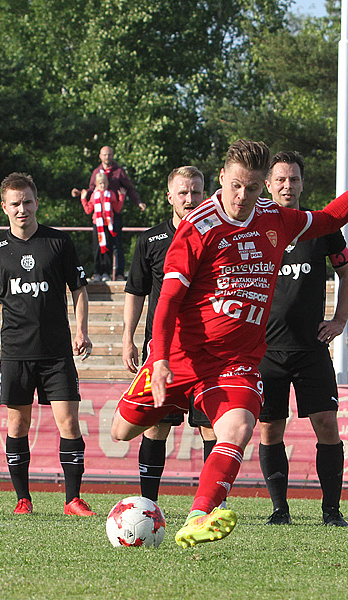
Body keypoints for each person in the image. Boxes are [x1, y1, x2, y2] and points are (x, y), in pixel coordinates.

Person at [110, 140, 348, 548]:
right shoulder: (197, 228)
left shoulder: (275, 219)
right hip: (181, 355)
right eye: (236, 187)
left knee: (240, 427)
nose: (243, 197)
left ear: (261, 186)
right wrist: (158, 358)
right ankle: (173, 399)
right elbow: (170, 299)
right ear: (223, 180)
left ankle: (197, 516)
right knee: (121, 430)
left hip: (236, 360)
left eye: (251, 188)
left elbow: (333, 216)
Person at [0, 172, 95, 517]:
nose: (23, 209)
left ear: (37, 203)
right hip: (16, 353)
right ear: (4, 207)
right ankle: (23, 499)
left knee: (69, 423)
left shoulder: (58, 242)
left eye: (28, 202)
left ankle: (72, 500)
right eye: (16, 203)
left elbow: (79, 290)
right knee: (17, 426)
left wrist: (82, 330)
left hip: (56, 353)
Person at [257, 151, 348, 527]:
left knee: (327, 425)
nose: (288, 186)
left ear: (302, 183)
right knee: (270, 428)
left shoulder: (320, 227)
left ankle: (331, 511)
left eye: (294, 179)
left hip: (311, 348)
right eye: (280, 179)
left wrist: (339, 320)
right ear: (268, 184)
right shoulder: (256, 227)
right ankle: (280, 510)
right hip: (267, 350)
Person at [122, 165, 216, 501]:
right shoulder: (150, 240)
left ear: (205, 194)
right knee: (156, 426)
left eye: (196, 192)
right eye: (183, 193)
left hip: (207, 350)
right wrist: (128, 338)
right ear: (169, 197)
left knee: (210, 427)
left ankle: (209, 507)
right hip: (164, 352)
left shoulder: (217, 236)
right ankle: (148, 503)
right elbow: (135, 291)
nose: (190, 200)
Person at [71, 146, 146, 279]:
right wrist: (81, 194)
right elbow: (91, 189)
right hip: (99, 216)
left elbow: (129, 188)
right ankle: (99, 271)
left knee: (116, 245)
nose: (107, 157)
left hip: (114, 213)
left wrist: (138, 202)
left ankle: (119, 273)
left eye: (109, 154)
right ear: (100, 156)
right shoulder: (96, 172)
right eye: (104, 155)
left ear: (112, 155)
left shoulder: (119, 172)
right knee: (100, 244)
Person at [80, 172, 124, 282]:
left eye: (104, 183)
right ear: (96, 184)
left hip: (108, 225)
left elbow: (117, 209)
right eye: (100, 184)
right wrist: (83, 199)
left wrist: (121, 197)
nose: (103, 186)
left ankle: (106, 272)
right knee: (97, 249)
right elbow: (88, 210)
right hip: (97, 224)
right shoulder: (94, 195)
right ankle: (97, 272)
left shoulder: (111, 194)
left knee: (108, 248)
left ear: (107, 183)